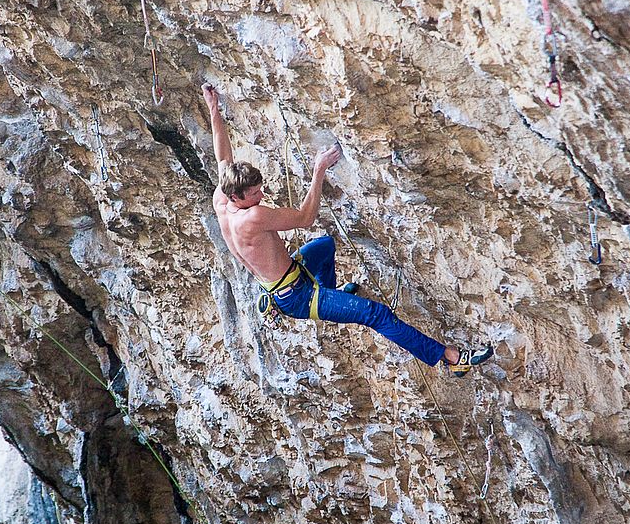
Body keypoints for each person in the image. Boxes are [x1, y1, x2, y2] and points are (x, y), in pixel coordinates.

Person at [203, 84, 493, 376]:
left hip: (286, 278)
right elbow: (305, 218)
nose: (261, 195)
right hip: (298, 297)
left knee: (326, 246)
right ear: (238, 197)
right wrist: (318, 171)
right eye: (255, 194)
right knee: (374, 313)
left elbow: (222, 156)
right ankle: (451, 358)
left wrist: (214, 109)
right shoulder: (252, 217)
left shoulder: (222, 197)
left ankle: (331, 295)